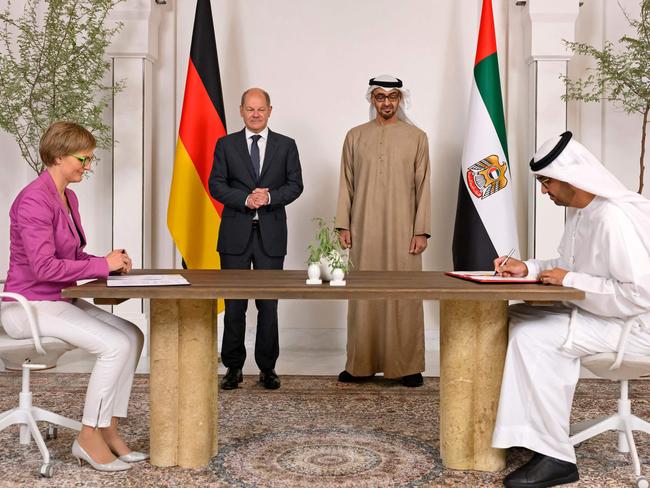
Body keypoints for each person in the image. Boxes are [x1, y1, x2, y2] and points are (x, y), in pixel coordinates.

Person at [491, 131, 650, 488]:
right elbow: (564, 265)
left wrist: (568, 280)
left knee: (534, 337)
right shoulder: (582, 215)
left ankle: (556, 458)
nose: (544, 191)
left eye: (546, 182)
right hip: (608, 316)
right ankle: (528, 431)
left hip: (634, 328)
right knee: (511, 317)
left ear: (570, 178)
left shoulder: (613, 219)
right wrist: (528, 268)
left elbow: (641, 293)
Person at [0, 122, 146, 472]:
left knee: (132, 335)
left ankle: (108, 426)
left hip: (56, 300)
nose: (88, 165)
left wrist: (108, 263)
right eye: (84, 158)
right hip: (29, 305)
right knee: (114, 345)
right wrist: (100, 265)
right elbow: (44, 268)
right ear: (59, 155)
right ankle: (88, 436)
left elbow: (72, 255)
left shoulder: (68, 196)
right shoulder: (34, 199)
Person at [335, 75, 432, 387]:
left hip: (404, 229)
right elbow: (346, 183)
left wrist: (422, 231)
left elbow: (424, 187)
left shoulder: (417, 137)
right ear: (371, 100)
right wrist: (343, 224)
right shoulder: (355, 136)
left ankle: (408, 366)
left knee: (405, 293)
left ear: (400, 100)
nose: (386, 102)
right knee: (363, 294)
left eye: (392, 97)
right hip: (363, 228)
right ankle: (359, 365)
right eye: (380, 96)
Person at [209, 87, 303, 390]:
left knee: (268, 306)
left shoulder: (286, 146)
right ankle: (233, 367)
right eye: (250, 109)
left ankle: (268, 369)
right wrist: (245, 199)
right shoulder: (225, 145)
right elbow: (216, 185)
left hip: (271, 236)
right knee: (234, 306)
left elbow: (295, 185)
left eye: (260, 109)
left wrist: (271, 196)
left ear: (270, 111)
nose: (255, 114)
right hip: (235, 234)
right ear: (241, 111)